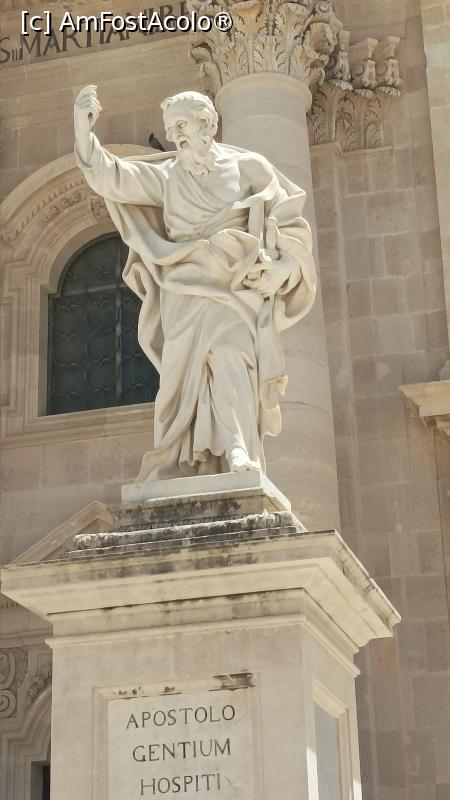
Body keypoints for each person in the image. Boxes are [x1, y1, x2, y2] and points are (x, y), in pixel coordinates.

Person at [74, 85, 317, 484]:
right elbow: (113, 176)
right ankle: (182, 458)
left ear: (208, 124)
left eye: (182, 125)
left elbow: (291, 224)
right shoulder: (167, 176)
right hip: (184, 288)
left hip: (234, 289)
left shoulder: (250, 168)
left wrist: (284, 268)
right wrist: (84, 134)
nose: (176, 136)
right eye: (171, 129)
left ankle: (237, 448)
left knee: (231, 353)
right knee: (178, 380)